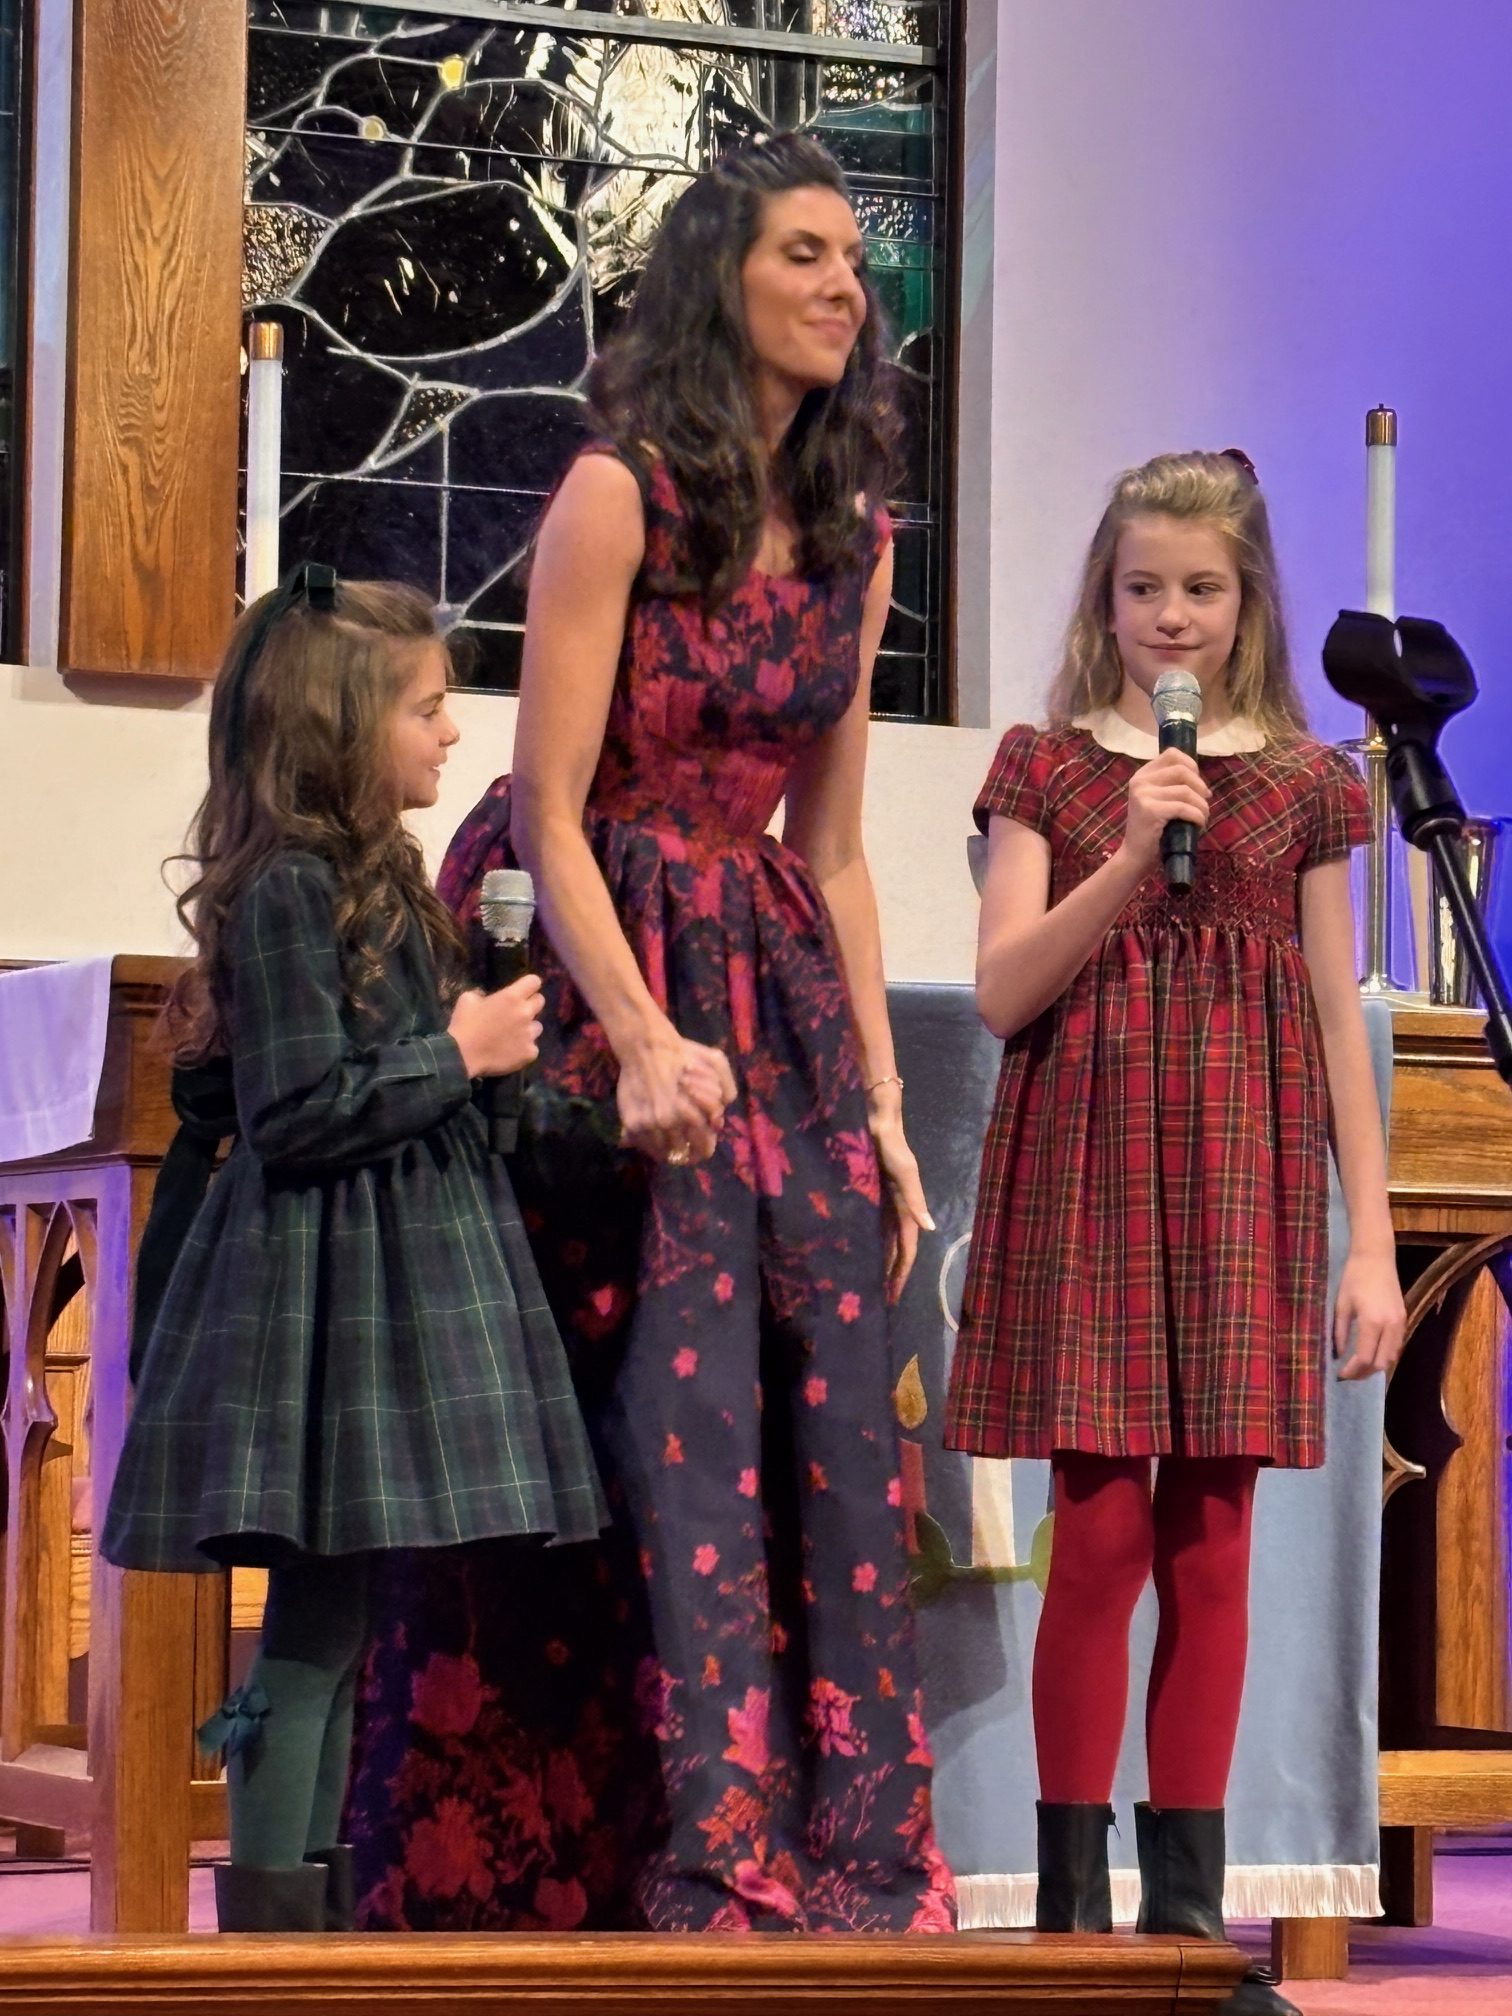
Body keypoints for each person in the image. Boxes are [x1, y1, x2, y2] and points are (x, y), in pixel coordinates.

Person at [347, 134, 955, 1935]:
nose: (845, 286)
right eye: (804, 254)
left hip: (765, 974)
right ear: (718, 281)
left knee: (831, 1399)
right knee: (663, 1402)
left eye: (853, 260)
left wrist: (885, 1110)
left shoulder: (858, 535)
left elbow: (833, 848)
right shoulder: (617, 493)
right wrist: (634, 1039)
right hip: (593, 940)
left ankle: (846, 1855)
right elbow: (544, 807)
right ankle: (689, 1852)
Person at [945, 451, 1405, 2013]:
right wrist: (1133, 856)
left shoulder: (1311, 784)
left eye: (1202, 590)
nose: (1172, 617)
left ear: (1247, 601)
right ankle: (1073, 1929)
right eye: (1144, 588)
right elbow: (1004, 988)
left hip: (1242, 1187)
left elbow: (1336, 1023)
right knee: (1099, 1538)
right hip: (1088, 1176)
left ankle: (1192, 1931)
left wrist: (1369, 1243)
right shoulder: (1049, 767)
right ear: (1106, 597)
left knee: (1214, 1546)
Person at [101, 567, 605, 1933]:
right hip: (320, 1304)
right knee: (313, 1631)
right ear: (339, 723)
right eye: (427, 708)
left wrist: (510, 1071)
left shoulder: (395, 886)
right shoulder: (288, 891)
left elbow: (436, 1090)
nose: (453, 731)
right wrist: (457, 1052)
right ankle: (270, 1938)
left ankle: (314, 1921)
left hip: (395, 1287)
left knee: (346, 1628)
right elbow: (297, 1111)